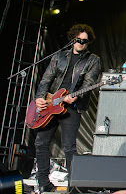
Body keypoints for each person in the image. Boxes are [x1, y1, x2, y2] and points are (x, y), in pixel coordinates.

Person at [33, 24, 102, 192]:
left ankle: (74, 186)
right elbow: (46, 79)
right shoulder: (58, 57)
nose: (81, 43)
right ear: (72, 39)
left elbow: (89, 83)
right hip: (51, 104)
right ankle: (43, 182)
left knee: (69, 146)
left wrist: (76, 95)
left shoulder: (92, 60)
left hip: (71, 107)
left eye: (85, 41)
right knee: (41, 143)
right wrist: (40, 98)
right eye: (78, 40)